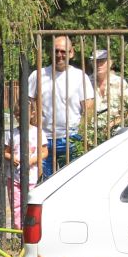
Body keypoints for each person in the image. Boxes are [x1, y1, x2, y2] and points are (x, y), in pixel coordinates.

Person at [27, 35, 94, 177]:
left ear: (71, 53)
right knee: (43, 182)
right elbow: (28, 106)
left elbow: (88, 108)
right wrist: (32, 131)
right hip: (43, 139)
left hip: (71, 138)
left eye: (63, 51)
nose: (59, 55)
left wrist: (83, 135)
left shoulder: (80, 76)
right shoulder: (37, 75)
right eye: (56, 51)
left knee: (71, 180)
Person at [3, 120, 47, 228]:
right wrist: (11, 157)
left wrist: (32, 160)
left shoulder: (38, 132)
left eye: (21, 114)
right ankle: (19, 230)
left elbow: (44, 152)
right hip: (14, 176)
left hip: (33, 177)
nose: (19, 117)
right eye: (17, 114)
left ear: (32, 114)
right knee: (15, 205)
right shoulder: (11, 133)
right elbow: (5, 152)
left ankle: (30, 229)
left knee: (32, 204)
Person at [89, 49, 128, 131]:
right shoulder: (86, 82)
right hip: (91, 132)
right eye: (95, 61)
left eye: (102, 61)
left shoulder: (120, 83)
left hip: (116, 131)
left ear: (110, 63)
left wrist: (112, 124)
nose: (98, 64)